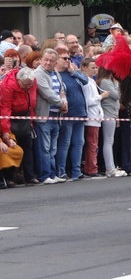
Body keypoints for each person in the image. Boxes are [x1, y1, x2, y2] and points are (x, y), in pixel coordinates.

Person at [54, 46, 90, 181]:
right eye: (64, 58)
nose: (68, 61)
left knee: (79, 142)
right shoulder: (57, 75)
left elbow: (86, 80)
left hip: (80, 113)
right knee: (65, 143)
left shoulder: (72, 73)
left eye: (69, 58)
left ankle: (76, 170)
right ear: (57, 60)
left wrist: (73, 71)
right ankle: (61, 170)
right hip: (67, 114)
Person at [0, 67, 40, 186]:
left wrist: (31, 120)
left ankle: (30, 176)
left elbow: (31, 103)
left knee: (28, 147)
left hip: (26, 116)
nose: (28, 87)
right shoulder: (8, 86)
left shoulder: (32, 82)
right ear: (19, 80)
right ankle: (11, 177)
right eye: (26, 85)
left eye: (30, 85)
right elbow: (5, 108)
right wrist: (6, 131)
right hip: (12, 117)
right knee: (13, 146)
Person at [33, 49, 68, 184]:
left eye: (51, 61)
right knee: (44, 147)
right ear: (41, 59)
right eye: (46, 59)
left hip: (55, 115)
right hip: (44, 116)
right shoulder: (38, 74)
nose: (48, 63)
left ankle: (52, 174)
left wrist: (65, 103)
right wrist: (61, 104)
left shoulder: (56, 74)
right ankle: (44, 175)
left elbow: (62, 91)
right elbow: (47, 93)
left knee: (53, 147)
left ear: (55, 62)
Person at [81, 58, 109, 178]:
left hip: (96, 117)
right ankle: (91, 168)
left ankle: (91, 167)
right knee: (92, 145)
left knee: (94, 144)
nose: (95, 70)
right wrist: (101, 97)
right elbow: (88, 101)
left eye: (96, 67)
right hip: (91, 117)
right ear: (84, 67)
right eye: (92, 67)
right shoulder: (86, 82)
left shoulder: (92, 81)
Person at [96, 66, 126, 177]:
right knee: (108, 141)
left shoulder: (111, 81)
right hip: (107, 113)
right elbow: (118, 95)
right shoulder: (104, 81)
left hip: (113, 113)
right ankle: (110, 168)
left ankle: (111, 167)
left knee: (110, 141)